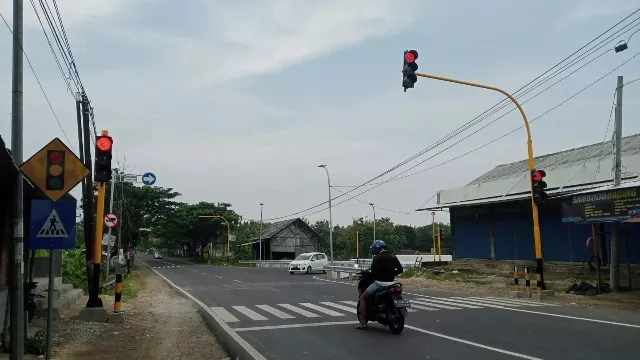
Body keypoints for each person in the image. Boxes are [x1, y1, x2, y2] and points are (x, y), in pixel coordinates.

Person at [356, 240, 404, 330]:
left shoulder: (377, 258)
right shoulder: (393, 256)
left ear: (376, 248)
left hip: (379, 284)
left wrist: (377, 275)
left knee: (363, 297)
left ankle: (363, 323)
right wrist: (392, 274)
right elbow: (400, 269)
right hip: (391, 284)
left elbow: (373, 272)